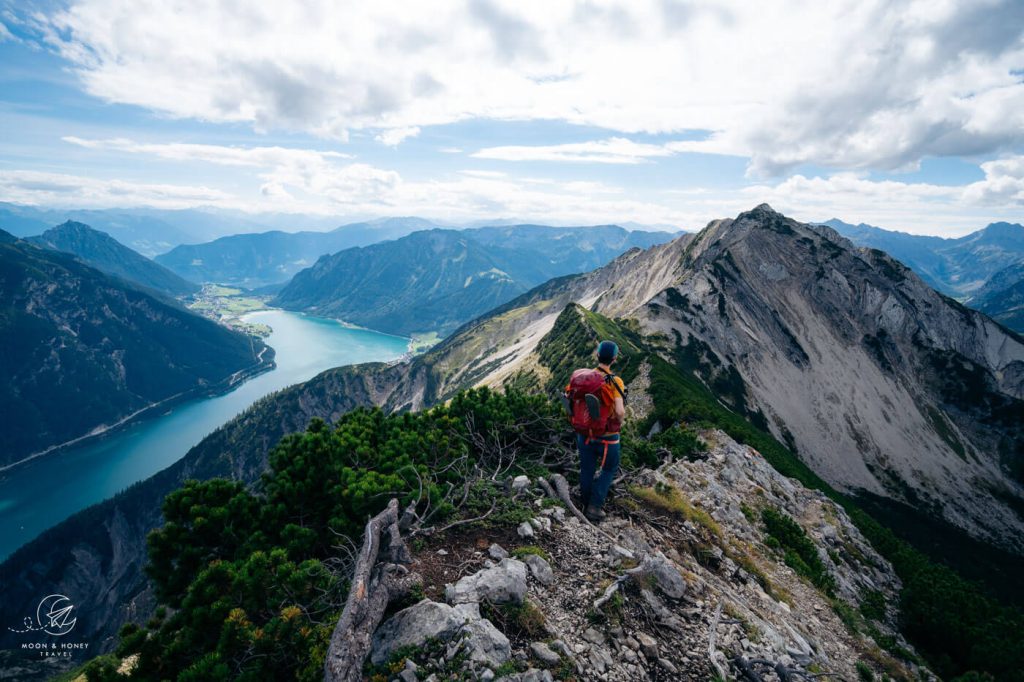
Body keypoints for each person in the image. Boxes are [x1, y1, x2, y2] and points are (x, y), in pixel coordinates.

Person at [565, 340, 626, 523]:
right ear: (614, 358)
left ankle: (584, 502)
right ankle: (594, 506)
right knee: (609, 468)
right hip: (607, 437)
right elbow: (620, 411)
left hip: (583, 433)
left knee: (587, 469)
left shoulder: (584, 377)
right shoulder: (615, 381)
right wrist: (619, 423)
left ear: (597, 355)